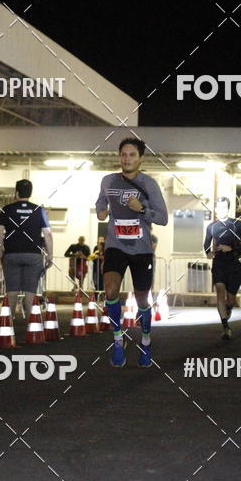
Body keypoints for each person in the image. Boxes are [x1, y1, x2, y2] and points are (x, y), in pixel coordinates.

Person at [96, 137, 168, 368]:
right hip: (115, 245)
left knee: (142, 299)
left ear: (140, 158)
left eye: (132, 155)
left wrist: (143, 209)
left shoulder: (149, 184)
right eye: (123, 155)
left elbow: (163, 218)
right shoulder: (108, 181)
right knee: (110, 290)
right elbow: (100, 203)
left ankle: (146, 342)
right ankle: (118, 341)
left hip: (141, 250)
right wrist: (101, 212)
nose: (127, 159)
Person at [0, 180, 53, 322]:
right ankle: (32, 327)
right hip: (33, 255)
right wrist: (49, 255)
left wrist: (0, 250)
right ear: (30, 193)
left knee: (11, 291)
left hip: (12, 254)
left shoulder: (6, 209)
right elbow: (47, 233)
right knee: (30, 292)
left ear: (16, 193)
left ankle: (8, 325)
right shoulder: (39, 210)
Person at [203, 196, 241, 340]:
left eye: (224, 207)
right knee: (219, 291)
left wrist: (231, 248)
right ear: (215, 208)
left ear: (228, 209)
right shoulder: (212, 227)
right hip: (219, 264)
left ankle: (229, 307)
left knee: (230, 300)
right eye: (218, 207)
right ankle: (225, 328)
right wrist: (208, 253)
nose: (220, 210)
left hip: (234, 265)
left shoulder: (236, 224)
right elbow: (206, 243)